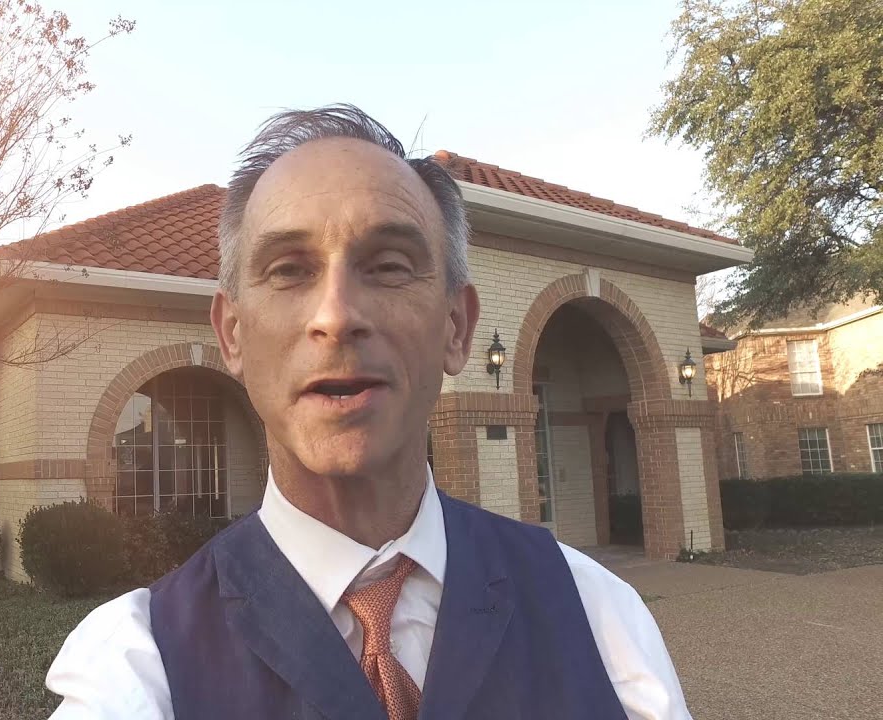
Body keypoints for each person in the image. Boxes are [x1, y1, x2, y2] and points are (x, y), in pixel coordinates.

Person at [45, 104, 691, 719]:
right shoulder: (141, 666)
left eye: (388, 266)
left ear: (457, 327)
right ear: (233, 334)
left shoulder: (599, 619)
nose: (336, 315)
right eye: (288, 270)